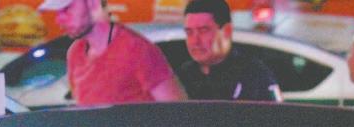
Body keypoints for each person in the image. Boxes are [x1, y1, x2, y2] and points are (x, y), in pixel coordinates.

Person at [37, 0, 186, 104]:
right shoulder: (75, 53)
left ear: (93, 3)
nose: (59, 20)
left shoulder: (135, 48)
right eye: (57, 12)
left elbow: (177, 111)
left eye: (66, 9)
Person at [178, 0, 281, 101]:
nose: (195, 41)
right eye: (189, 32)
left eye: (203, 31)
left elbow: (276, 111)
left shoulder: (255, 76)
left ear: (227, 31)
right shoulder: (182, 77)